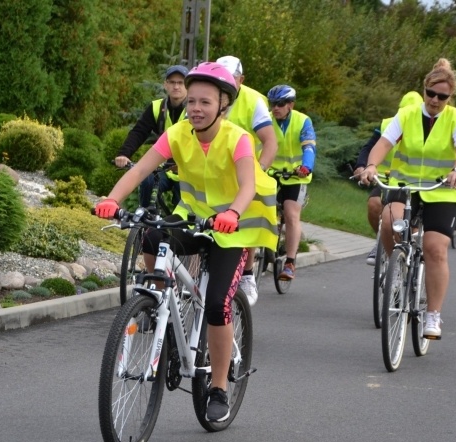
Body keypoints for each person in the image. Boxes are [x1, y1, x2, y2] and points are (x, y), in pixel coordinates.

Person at [94, 63, 277, 422]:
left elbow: (248, 185)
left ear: (223, 105)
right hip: (193, 217)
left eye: (205, 102)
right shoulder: (177, 133)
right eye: (191, 101)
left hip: (234, 227)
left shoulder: (237, 138)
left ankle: (219, 387)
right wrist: (112, 200)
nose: (195, 108)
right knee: (150, 234)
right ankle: (162, 296)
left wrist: (233, 213)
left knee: (217, 306)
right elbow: (140, 169)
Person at [358, 58, 456, 340]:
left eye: (442, 97)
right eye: (431, 94)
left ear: (450, 96)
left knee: (435, 249)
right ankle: (396, 270)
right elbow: (384, 143)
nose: (435, 100)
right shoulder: (407, 114)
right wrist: (371, 166)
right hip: (406, 184)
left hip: (442, 189)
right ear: (424, 90)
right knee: (388, 222)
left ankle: (432, 314)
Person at [215, 55, 278, 306]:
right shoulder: (209, 94)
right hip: (211, 169)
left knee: (246, 217)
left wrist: (259, 170)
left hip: (244, 169)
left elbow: (270, 142)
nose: (225, 82)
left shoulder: (253, 101)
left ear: (241, 79)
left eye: (231, 78)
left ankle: (247, 274)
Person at [354, 91, 424, 265]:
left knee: (412, 223)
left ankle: (409, 254)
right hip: (386, 179)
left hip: (414, 182)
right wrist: (362, 165)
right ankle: (381, 241)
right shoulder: (389, 123)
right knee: (374, 204)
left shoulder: (426, 128)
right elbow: (369, 147)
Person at [115, 65, 188, 209]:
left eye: (181, 83)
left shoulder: (194, 110)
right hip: (164, 169)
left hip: (187, 172)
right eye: (172, 82)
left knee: (182, 214)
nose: (176, 86)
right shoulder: (156, 107)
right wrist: (124, 154)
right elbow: (139, 132)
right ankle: (144, 216)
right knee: (147, 179)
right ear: (165, 84)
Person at [265, 84, 316, 281]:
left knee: (291, 214)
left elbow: (309, 147)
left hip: (296, 175)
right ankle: (263, 246)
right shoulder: (266, 120)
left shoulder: (302, 121)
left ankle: (290, 263)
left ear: (291, 105)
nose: (275, 108)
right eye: (272, 104)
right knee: (260, 207)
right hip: (270, 172)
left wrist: (306, 166)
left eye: (280, 104)